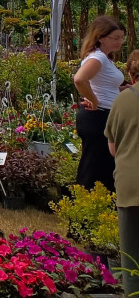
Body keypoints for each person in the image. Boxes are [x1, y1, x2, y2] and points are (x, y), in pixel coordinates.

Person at [73, 15, 126, 191]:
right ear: (101, 37)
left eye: (121, 37)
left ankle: (96, 209)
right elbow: (80, 79)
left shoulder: (104, 58)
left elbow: (101, 84)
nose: (120, 42)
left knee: (103, 167)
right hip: (97, 117)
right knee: (93, 167)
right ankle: (82, 211)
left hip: (104, 115)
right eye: (115, 38)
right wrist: (94, 101)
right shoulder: (98, 58)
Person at [106, 66, 139, 298]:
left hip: (131, 182)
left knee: (131, 254)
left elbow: (113, 147)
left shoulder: (124, 100)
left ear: (131, 75)